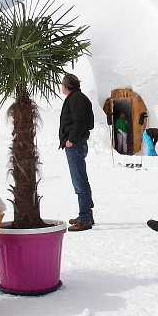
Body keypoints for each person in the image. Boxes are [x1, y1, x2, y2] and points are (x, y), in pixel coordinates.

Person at [59, 72, 95, 231]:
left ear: (66, 86)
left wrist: (71, 139)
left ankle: (85, 217)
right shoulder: (78, 98)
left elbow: (79, 121)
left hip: (75, 144)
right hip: (77, 143)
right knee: (80, 179)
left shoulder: (75, 99)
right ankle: (86, 213)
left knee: (79, 180)